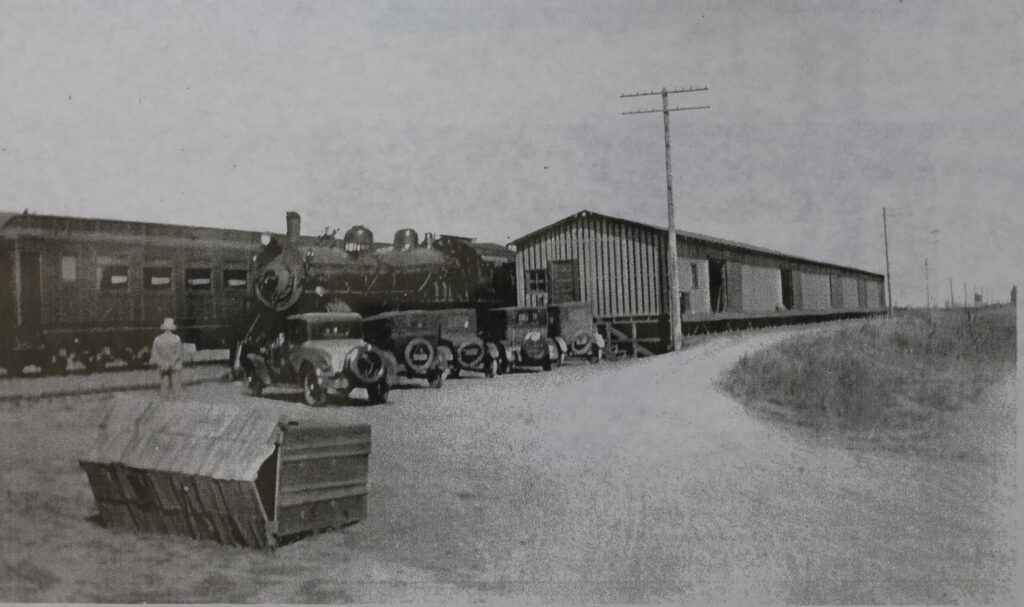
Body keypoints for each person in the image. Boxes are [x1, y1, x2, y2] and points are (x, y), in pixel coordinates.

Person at [150, 318, 184, 399]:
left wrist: (161, 363)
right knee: (176, 385)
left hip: (163, 365)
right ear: (172, 327)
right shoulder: (176, 338)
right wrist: (172, 362)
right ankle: (177, 402)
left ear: (164, 327)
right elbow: (179, 352)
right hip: (174, 365)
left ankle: (164, 404)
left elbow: (154, 353)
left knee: (164, 385)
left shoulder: (157, 339)